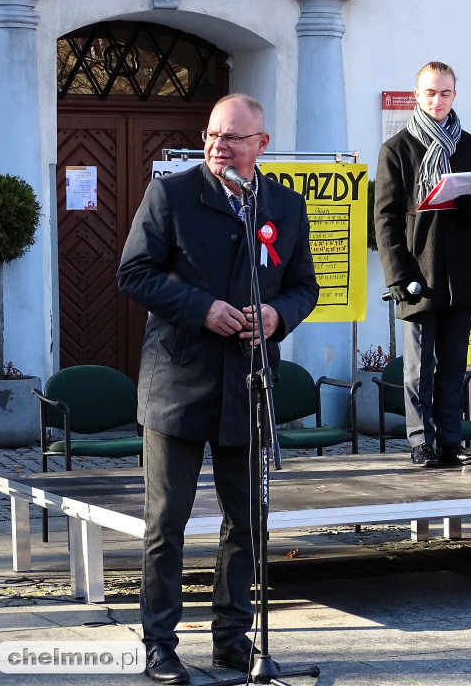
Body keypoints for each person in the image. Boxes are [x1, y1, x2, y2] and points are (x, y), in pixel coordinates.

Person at [116, 93, 319, 684]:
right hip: (177, 385)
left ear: (261, 143)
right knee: (167, 523)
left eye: (232, 137)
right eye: (212, 135)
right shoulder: (172, 194)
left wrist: (278, 315)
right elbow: (133, 272)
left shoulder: (284, 205)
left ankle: (232, 639)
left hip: (247, 384)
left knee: (247, 520)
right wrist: (201, 308)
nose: (218, 146)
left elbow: (304, 285)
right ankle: (159, 645)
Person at [374, 61, 471, 468]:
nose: (437, 100)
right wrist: (397, 274)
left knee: (453, 365)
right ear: (417, 95)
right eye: (430, 92)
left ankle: (450, 440)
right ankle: (420, 441)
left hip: (460, 272)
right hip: (418, 272)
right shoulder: (397, 148)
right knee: (418, 367)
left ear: (454, 95)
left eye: (445, 93)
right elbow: (385, 218)